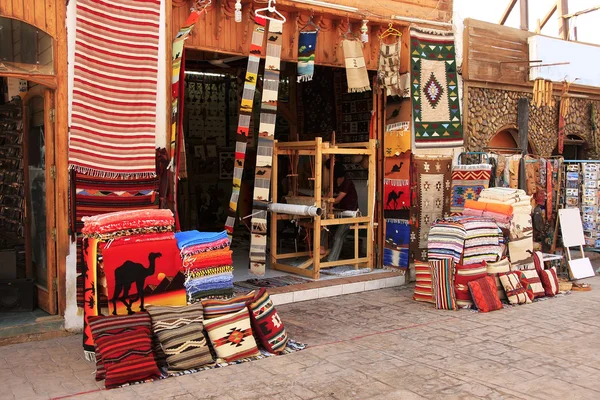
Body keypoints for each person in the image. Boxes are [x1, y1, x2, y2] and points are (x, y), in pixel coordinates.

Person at [321, 162, 358, 261]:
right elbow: (329, 196)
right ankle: (321, 249)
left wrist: (329, 202)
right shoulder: (335, 182)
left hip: (350, 214)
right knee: (322, 227)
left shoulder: (347, 183)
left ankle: (331, 261)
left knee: (338, 236)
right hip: (338, 213)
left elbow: (337, 199)